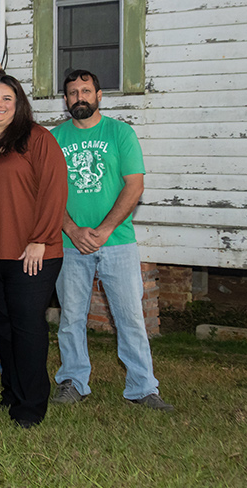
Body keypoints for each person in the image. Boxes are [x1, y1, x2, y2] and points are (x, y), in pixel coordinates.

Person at [52, 69, 174, 411]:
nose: (80, 97)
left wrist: (104, 230)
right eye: (73, 92)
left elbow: (134, 185)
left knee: (130, 317)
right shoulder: (55, 138)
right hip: (70, 243)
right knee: (71, 317)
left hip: (117, 241)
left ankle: (142, 388)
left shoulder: (121, 133)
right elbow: (46, 194)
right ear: (65, 100)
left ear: (99, 95)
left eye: (86, 91)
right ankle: (73, 381)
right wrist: (73, 230)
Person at [0, 73, 69, 429]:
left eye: (7, 98)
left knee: (27, 327)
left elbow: (54, 191)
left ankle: (31, 404)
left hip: (33, 253)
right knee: (3, 326)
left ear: (18, 103)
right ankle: (11, 393)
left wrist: (41, 238)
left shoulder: (38, 139)